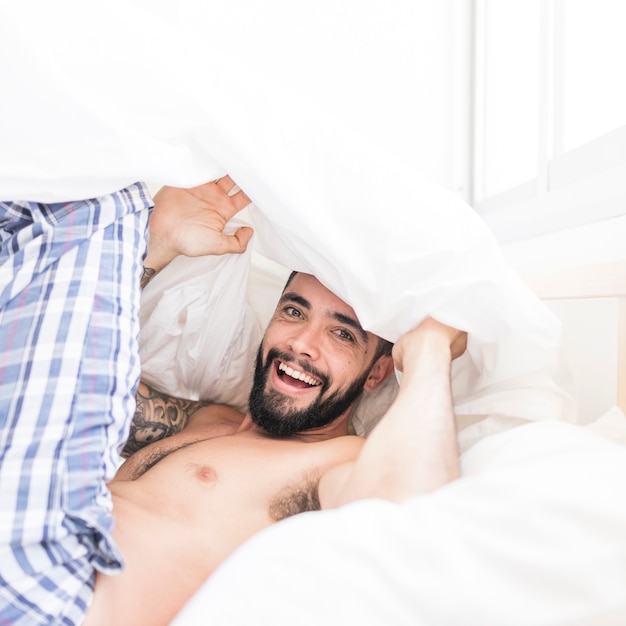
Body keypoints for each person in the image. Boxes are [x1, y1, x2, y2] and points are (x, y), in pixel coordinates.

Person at [0, 177, 251, 625]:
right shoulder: (224, 426)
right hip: (44, 552)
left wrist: (425, 356)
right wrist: (155, 248)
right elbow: (86, 385)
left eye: (342, 334)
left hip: (56, 596)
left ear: (378, 373)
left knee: (93, 202)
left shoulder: (342, 466)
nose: (302, 344)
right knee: (45, 222)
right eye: (292, 311)